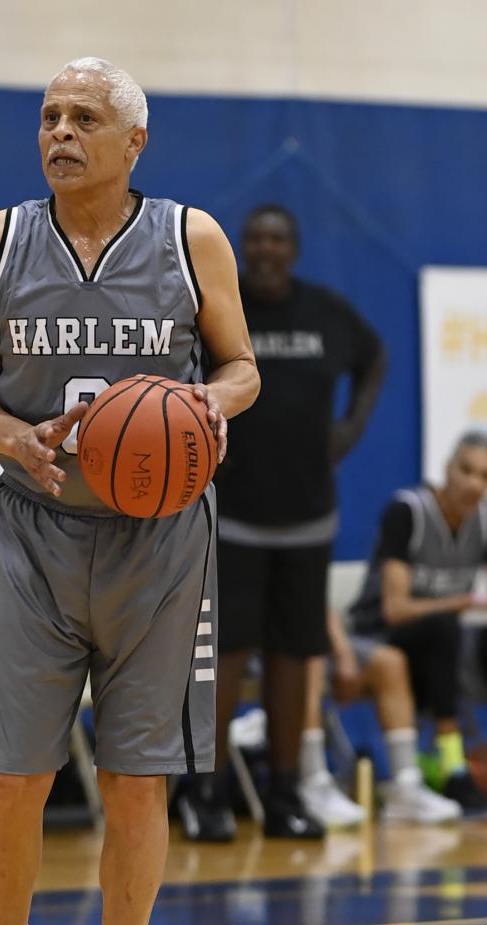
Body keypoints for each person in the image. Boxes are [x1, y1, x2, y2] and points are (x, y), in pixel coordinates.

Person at [0, 58, 258, 925]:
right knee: (13, 774)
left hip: (158, 543)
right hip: (36, 531)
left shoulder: (191, 239)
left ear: (133, 142)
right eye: (48, 117)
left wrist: (203, 407)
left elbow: (242, 368)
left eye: (82, 118)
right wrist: (12, 436)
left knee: (136, 780)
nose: (59, 134)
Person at [178, 204, 385, 842]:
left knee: (296, 657)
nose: (266, 249)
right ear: (242, 249)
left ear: (293, 249)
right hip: (234, 517)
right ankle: (206, 791)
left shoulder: (326, 312)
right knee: (226, 656)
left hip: (308, 517)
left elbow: (374, 358)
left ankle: (286, 791)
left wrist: (351, 427)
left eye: (277, 239)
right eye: (256, 239)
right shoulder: (219, 309)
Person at [349, 431, 487, 818]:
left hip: (449, 636)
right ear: (447, 470)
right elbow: (395, 609)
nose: (475, 484)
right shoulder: (406, 512)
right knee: (444, 627)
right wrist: (477, 600)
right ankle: (454, 769)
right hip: (385, 636)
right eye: (467, 471)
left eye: (485, 476)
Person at [305, 609, 462, 822]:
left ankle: (406, 788)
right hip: (280, 646)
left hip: (320, 641)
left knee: (391, 662)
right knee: (307, 661)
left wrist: (343, 653)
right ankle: (312, 783)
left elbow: (317, 603)